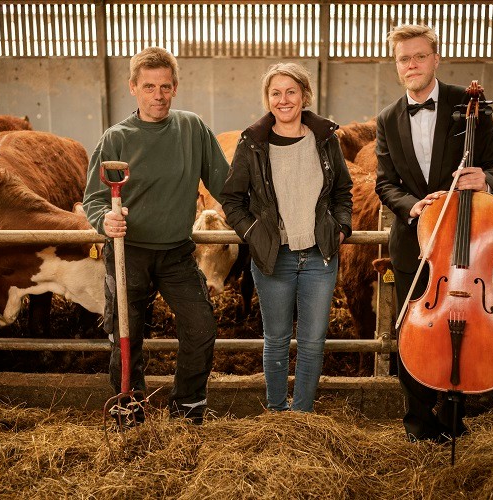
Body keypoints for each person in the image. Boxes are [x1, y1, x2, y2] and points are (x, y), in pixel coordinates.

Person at [375, 25, 493, 442]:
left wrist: (483, 180)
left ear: (436, 58)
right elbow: (385, 183)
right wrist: (410, 206)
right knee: (413, 329)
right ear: (396, 66)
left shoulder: (467, 106)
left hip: (464, 241)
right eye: (403, 59)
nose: (411, 64)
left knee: (462, 323)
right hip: (412, 240)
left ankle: (454, 419)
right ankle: (417, 422)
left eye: (419, 56)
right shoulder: (386, 119)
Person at [83, 47, 230, 425]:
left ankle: (188, 406)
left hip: (177, 253)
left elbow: (226, 184)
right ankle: (129, 406)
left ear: (175, 87)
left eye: (165, 86)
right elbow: (95, 200)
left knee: (201, 325)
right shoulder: (116, 139)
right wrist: (105, 222)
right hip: (127, 251)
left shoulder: (192, 128)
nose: (158, 95)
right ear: (133, 88)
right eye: (149, 87)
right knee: (125, 335)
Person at [221, 62, 353, 412]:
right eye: (275, 93)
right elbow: (232, 199)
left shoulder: (325, 140)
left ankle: (303, 413)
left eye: (291, 91)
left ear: (304, 95)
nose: (283, 99)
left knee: (312, 341)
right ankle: (277, 413)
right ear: (267, 99)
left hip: (319, 255)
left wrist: (341, 227)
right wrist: (252, 233)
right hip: (273, 256)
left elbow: (343, 190)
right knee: (276, 340)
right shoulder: (252, 143)